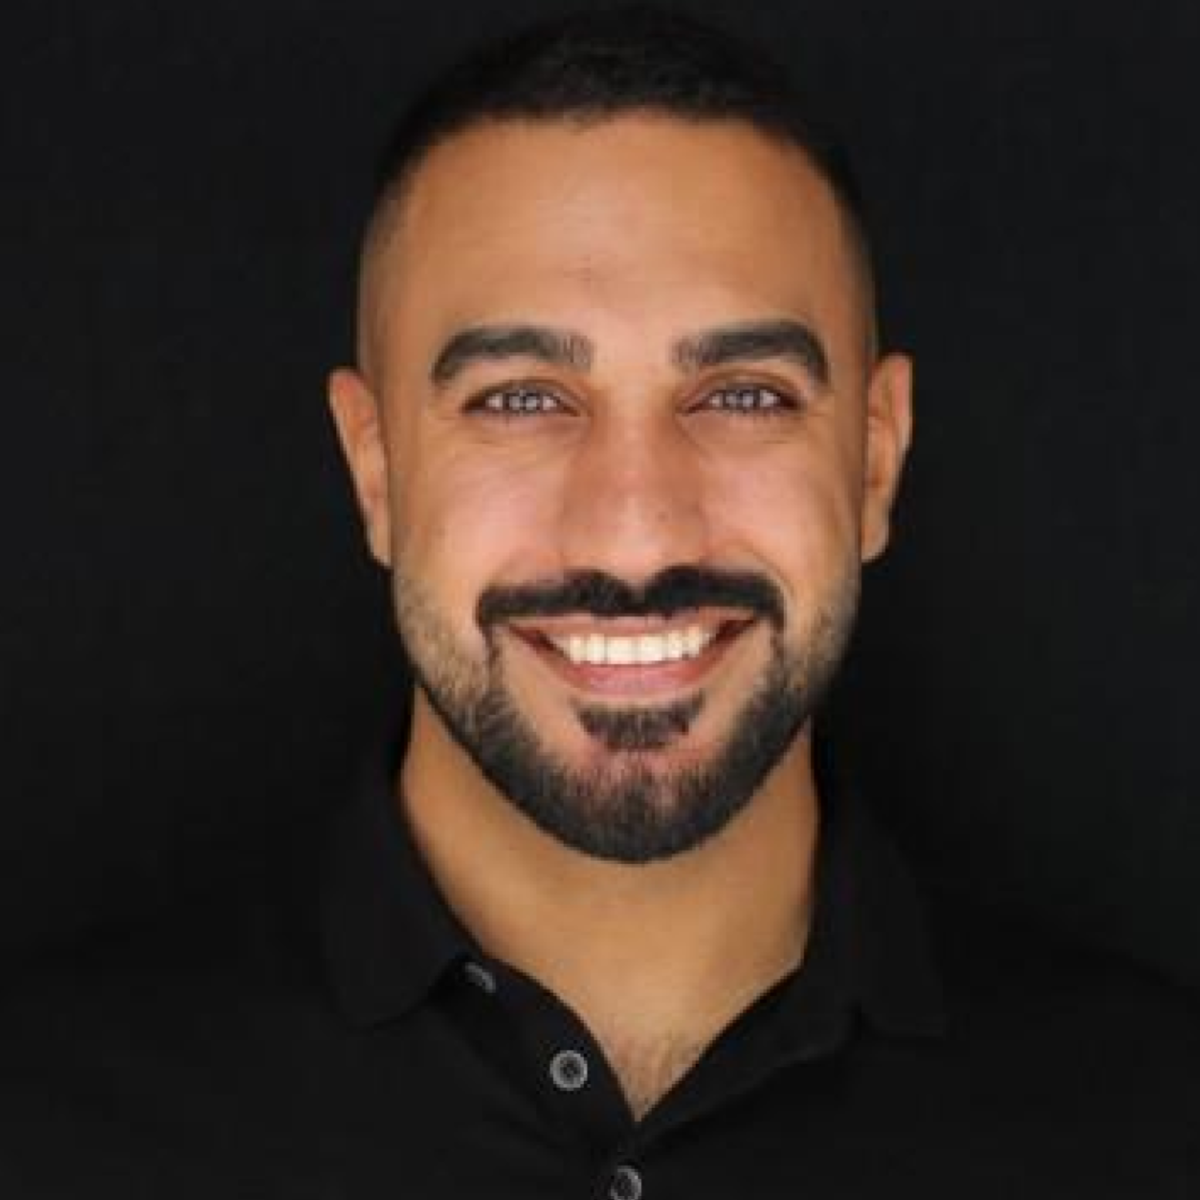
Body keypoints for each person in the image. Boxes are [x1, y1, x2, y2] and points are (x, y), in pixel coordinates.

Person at [2, 6, 1195, 1198]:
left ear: (876, 460)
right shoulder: (47, 1120)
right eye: (521, 400)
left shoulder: (1150, 1121)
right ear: (375, 472)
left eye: (744, 395)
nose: (637, 533)